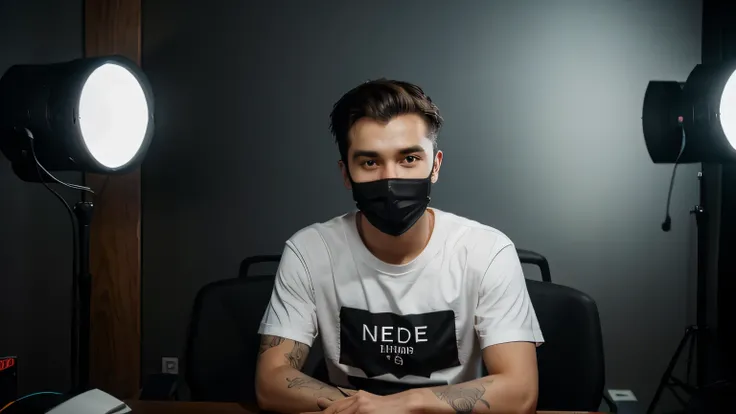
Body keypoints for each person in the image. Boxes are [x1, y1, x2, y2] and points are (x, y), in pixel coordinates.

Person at [255, 79, 544, 414]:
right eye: (369, 162)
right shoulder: (310, 250)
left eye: (408, 158)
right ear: (346, 173)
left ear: (434, 166)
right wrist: (367, 410)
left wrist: (402, 406)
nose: (390, 179)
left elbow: (521, 391)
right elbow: (271, 380)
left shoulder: (486, 251)